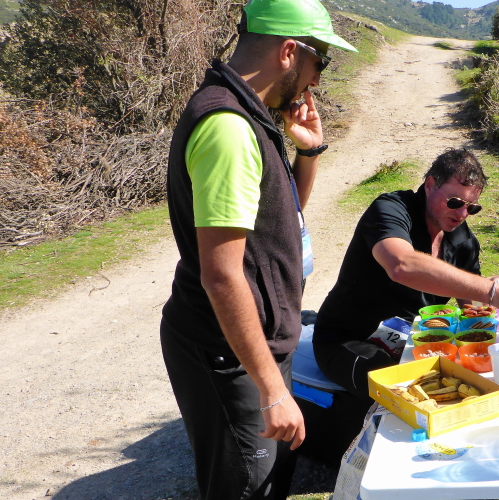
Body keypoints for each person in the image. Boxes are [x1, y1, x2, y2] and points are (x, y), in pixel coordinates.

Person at [159, 1, 357, 499]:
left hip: (257, 343)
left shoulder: (252, 114)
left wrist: (308, 152)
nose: (317, 79)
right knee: (249, 485)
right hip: (229, 352)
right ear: (289, 52)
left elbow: (279, 219)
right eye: (320, 61)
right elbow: (222, 274)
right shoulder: (228, 127)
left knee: (273, 476)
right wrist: (270, 388)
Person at [312, 148, 499, 437]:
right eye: (455, 202)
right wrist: (492, 290)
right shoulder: (391, 209)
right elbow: (401, 264)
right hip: (350, 339)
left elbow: (469, 300)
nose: (462, 214)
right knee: (413, 395)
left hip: (415, 343)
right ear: (430, 185)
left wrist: (495, 284)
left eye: (472, 208)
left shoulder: (461, 239)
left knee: (466, 387)